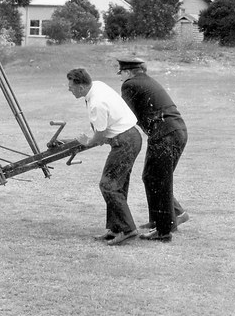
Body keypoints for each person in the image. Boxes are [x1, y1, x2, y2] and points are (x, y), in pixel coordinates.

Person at [66, 67, 142, 246]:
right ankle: (115, 228)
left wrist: (86, 142)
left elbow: (99, 137)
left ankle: (128, 229)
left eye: (71, 86)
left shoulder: (96, 103)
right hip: (130, 136)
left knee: (108, 185)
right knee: (117, 185)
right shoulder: (97, 86)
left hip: (125, 141)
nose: (69, 89)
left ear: (82, 87)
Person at [116, 55, 189, 243]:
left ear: (127, 72)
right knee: (153, 177)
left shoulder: (130, 84)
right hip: (174, 130)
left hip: (165, 133)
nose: (120, 78)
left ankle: (163, 230)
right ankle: (170, 216)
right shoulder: (146, 80)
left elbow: (124, 113)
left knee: (158, 178)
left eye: (121, 73)